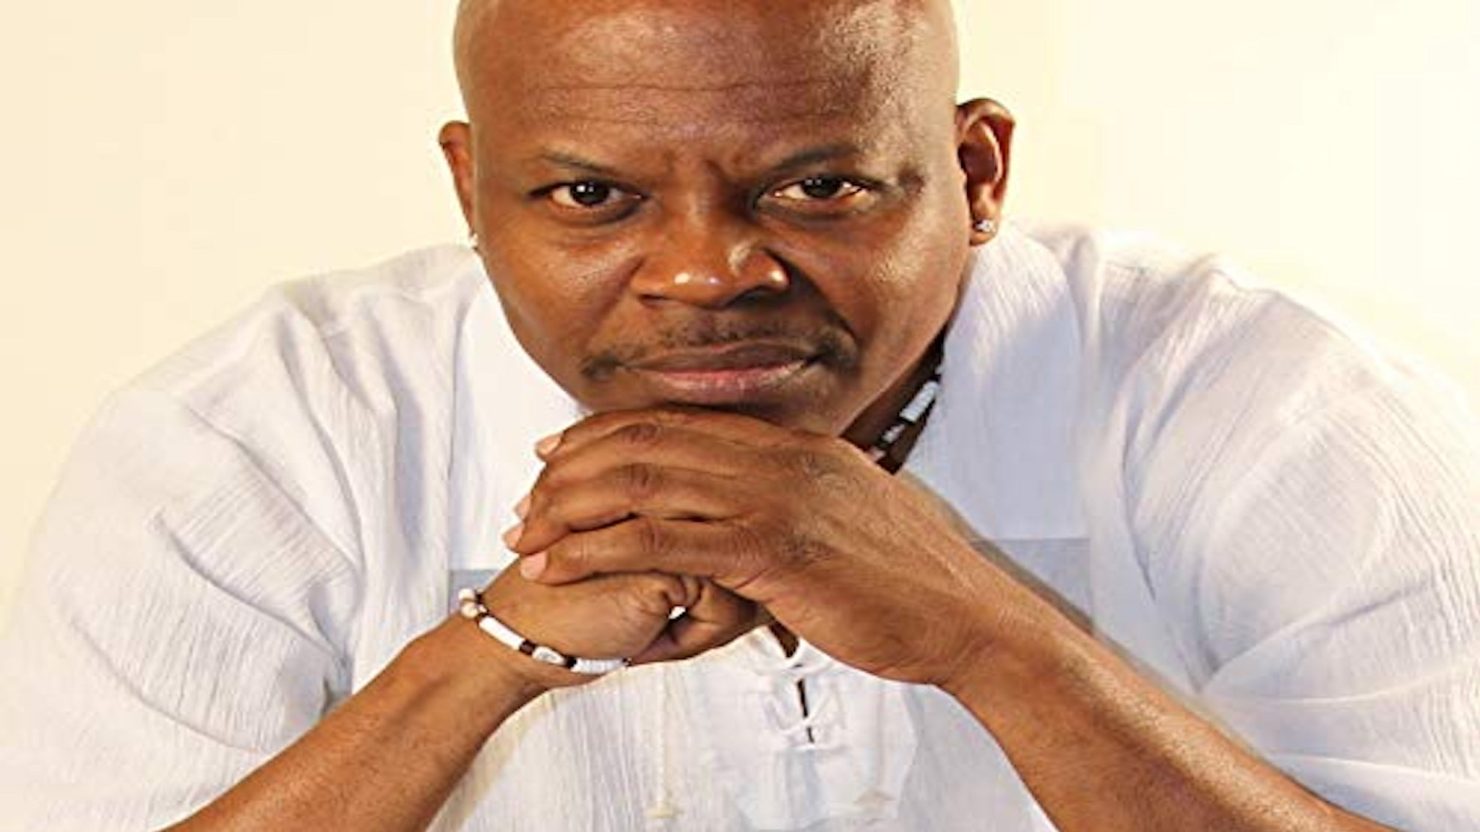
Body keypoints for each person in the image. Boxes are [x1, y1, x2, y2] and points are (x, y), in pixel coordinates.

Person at [1, 0, 1476, 829]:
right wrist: (484, 658)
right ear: (472, 188)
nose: (709, 271)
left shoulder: (1271, 409)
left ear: (976, 174)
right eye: (592, 195)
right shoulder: (254, 440)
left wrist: (992, 642)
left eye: (818, 186)